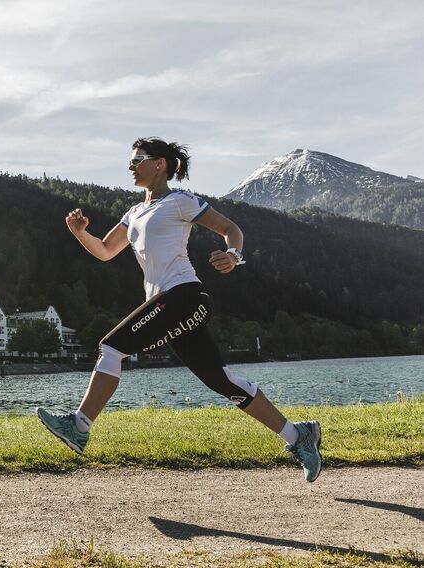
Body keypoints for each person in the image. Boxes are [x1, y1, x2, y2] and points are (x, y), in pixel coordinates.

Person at [35, 137, 322, 482]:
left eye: (138, 159)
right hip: (166, 304)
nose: (131, 165)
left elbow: (231, 229)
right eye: (131, 160)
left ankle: (80, 425)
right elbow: (106, 251)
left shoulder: (180, 202)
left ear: (160, 164)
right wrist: (80, 233)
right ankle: (298, 436)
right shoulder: (135, 212)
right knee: (222, 381)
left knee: (111, 347)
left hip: (185, 296)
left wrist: (233, 255)